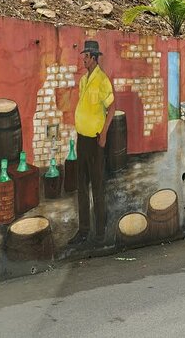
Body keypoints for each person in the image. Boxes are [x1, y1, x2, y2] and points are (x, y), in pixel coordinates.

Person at [68, 40, 115, 247]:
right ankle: (84, 230)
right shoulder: (84, 80)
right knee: (81, 186)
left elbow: (112, 108)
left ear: (94, 58)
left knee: (97, 185)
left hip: (96, 140)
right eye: (83, 56)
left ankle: (100, 232)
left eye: (86, 56)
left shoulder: (102, 80)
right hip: (82, 139)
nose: (83, 59)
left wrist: (104, 134)